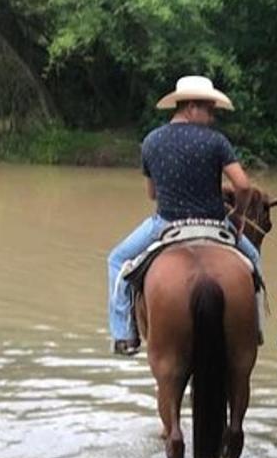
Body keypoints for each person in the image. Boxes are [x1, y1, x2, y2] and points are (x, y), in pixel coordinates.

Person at [106, 75, 262, 356]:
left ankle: (123, 335)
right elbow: (243, 185)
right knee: (253, 259)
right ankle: (256, 330)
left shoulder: (151, 141)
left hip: (166, 223)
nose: (212, 118)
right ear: (191, 107)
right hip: (215, 223)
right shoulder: (217, 142)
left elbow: (152, 194)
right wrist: (238, 215)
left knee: (117, 260)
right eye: (209, 110)